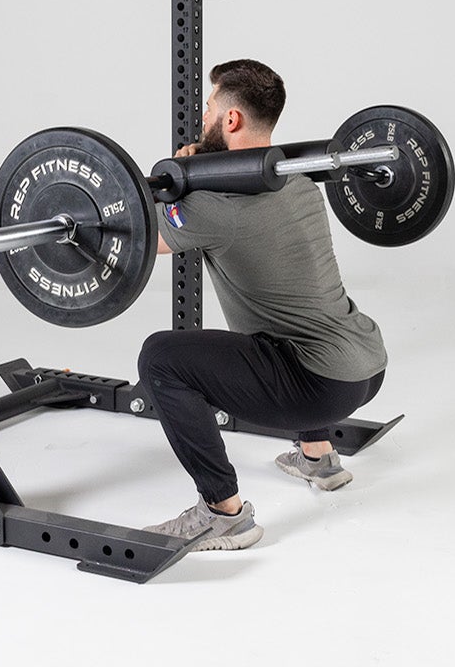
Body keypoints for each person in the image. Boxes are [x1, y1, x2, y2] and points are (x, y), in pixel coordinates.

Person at [138, 59, 388, 550]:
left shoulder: (213, 208)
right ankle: (318, 457)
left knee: (160, 358)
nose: (204, 114)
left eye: (209, 106)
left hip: (317, 387)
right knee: (291, 331)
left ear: (230, 121)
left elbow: (143, 236)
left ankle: (223, 515)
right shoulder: (296, 180)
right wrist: (195, 175)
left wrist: (180, 178)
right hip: (367, 366)